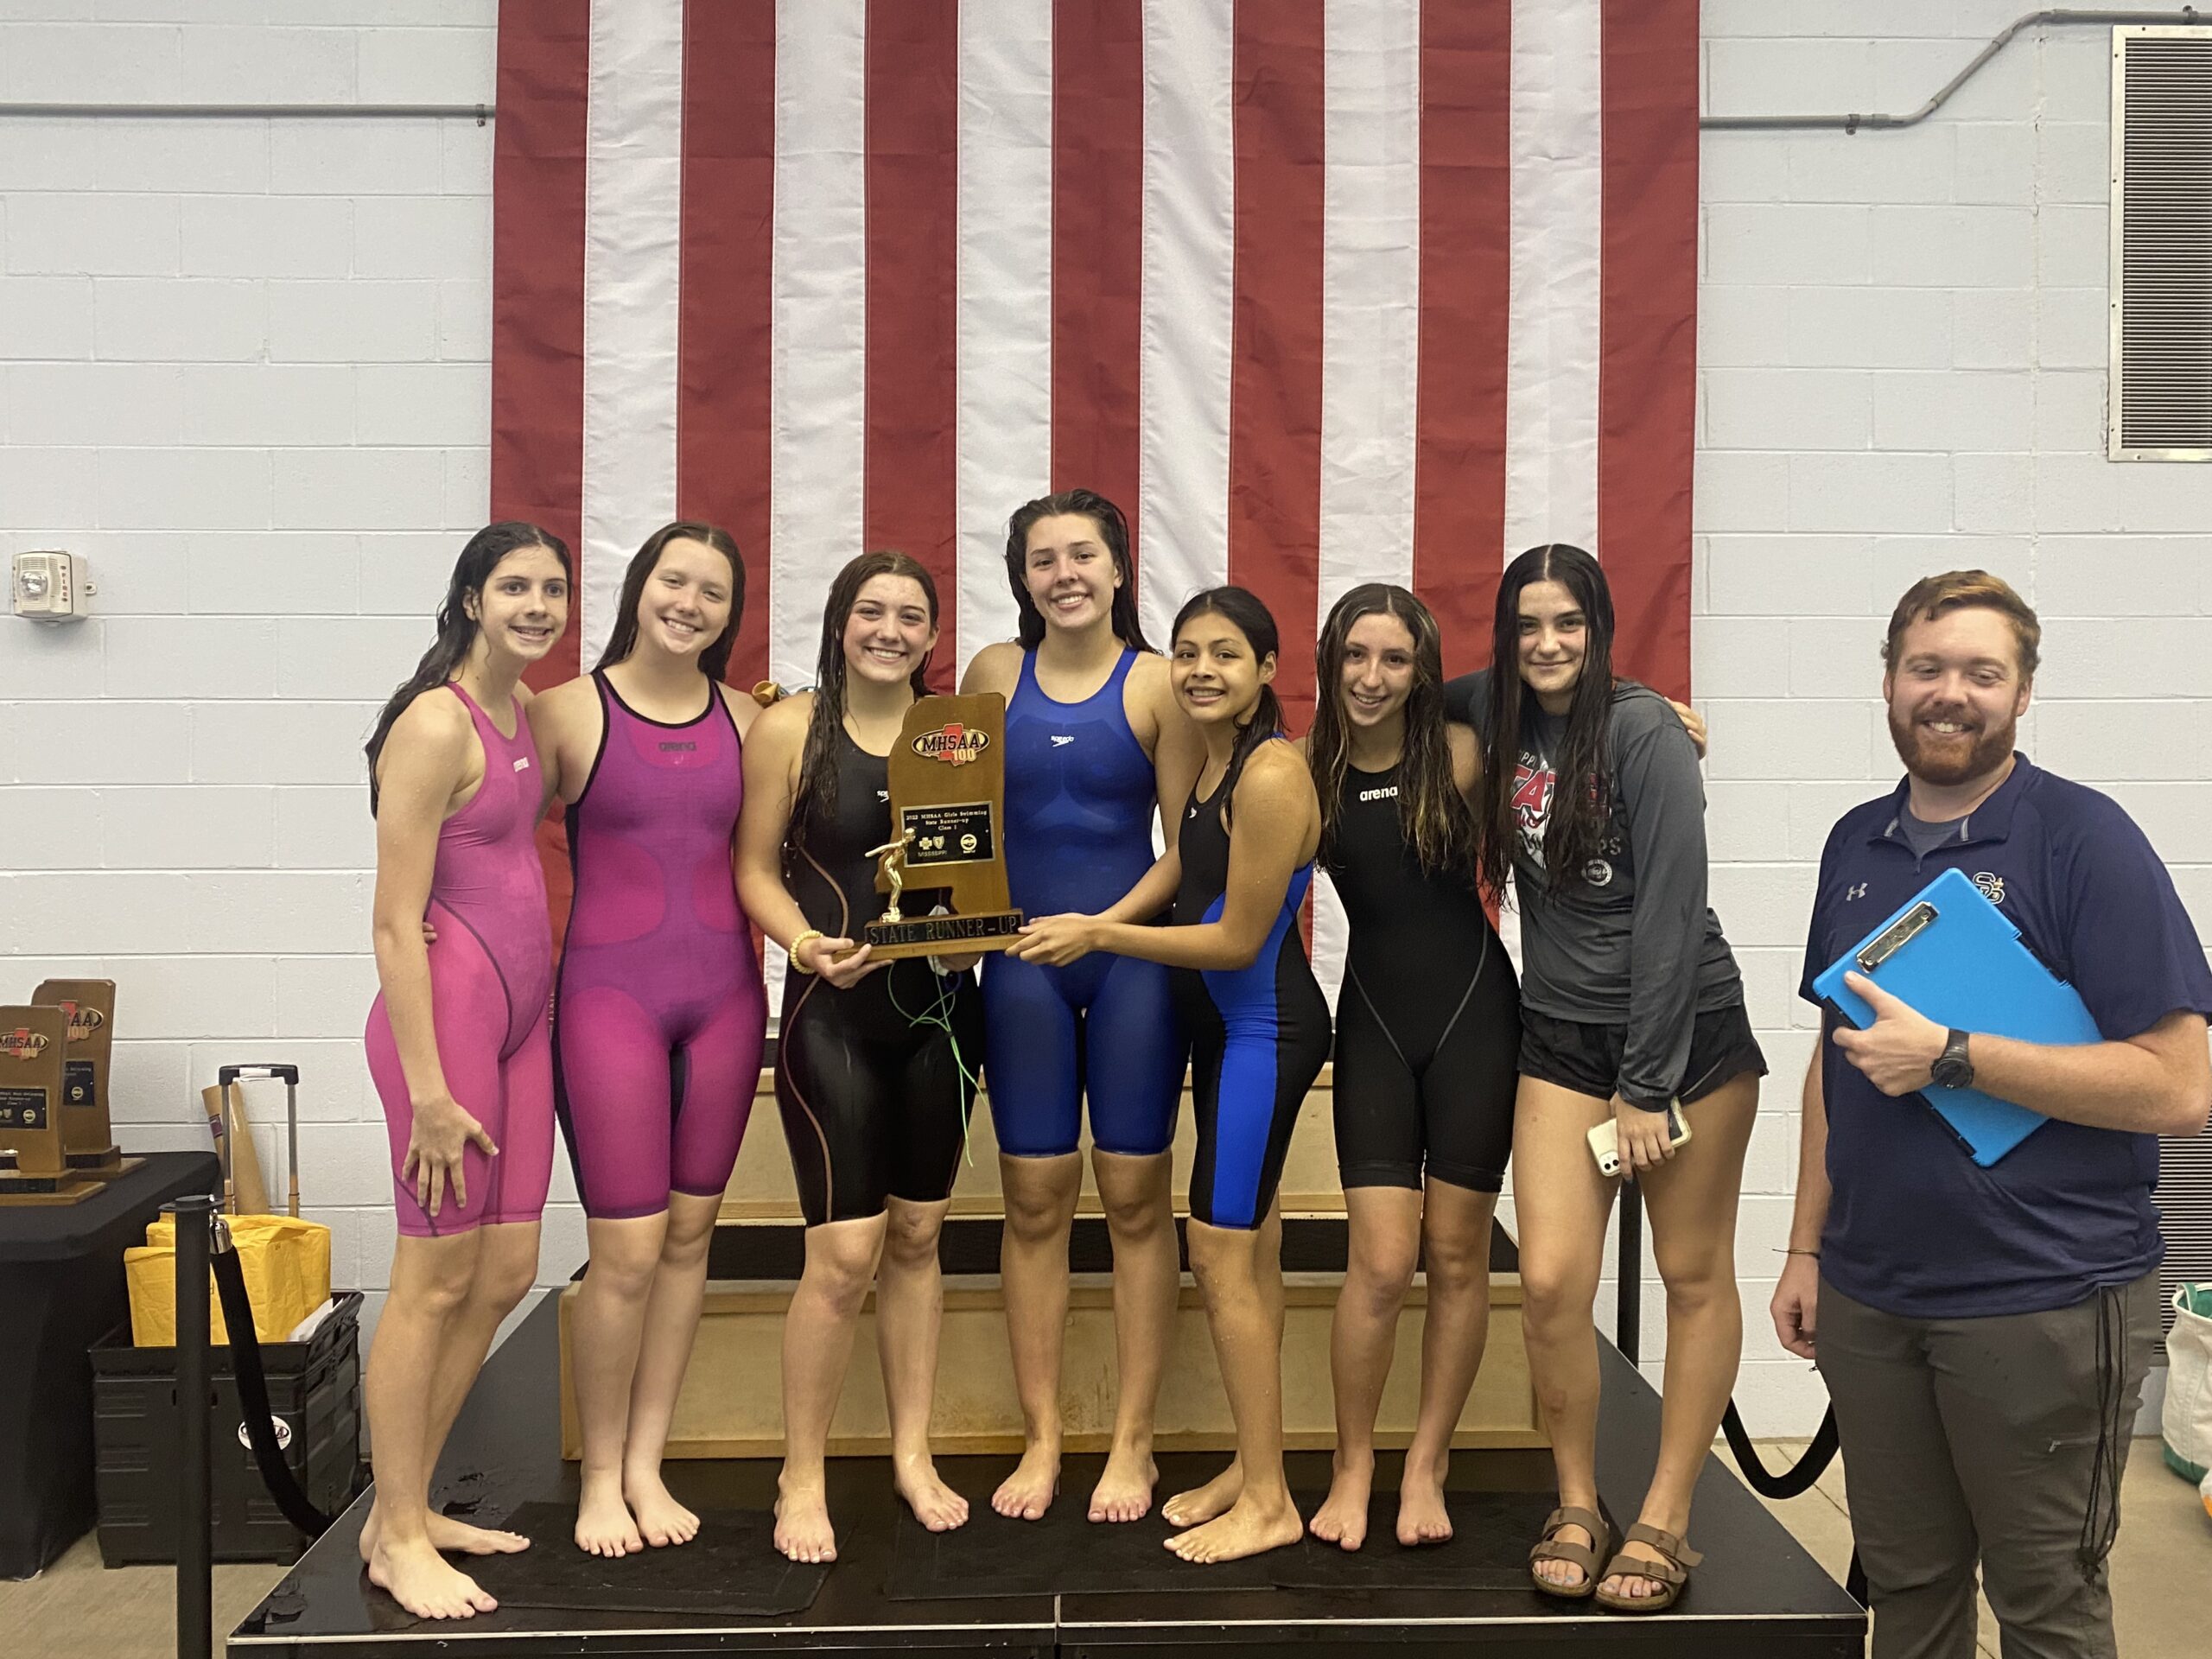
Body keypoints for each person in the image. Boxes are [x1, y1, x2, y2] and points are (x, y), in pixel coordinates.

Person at [1773, 570, 2211, 1659]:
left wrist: (1957, 1057)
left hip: (2044, 1300)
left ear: (2022, 695)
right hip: (1875, 1298)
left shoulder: (2080, 838)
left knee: (2045, 1609)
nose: (1950, 693)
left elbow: (2179, 1085)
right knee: (1908, 1591)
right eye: (1927, 667)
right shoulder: (1852, 844)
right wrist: (1802, 1248)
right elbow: (1834, 1062)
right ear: (1887, 681)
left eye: (1982, 672)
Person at [1447, 543, 1764, 1613]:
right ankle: (1577, 1500)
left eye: (1568, 625)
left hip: (1684, 1039)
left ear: (1600, 629)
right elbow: (1413, 685)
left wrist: (1645, 1088)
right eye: (1527, 625)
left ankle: (1668, 1516)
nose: (1547, 645)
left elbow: (1673, 918)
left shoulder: (1640, 734)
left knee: (1689, 1272)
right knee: (1546, 1283)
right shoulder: (1493, 710)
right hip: (1561, 1039)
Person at [1015, 586, 1327, 1565]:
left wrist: (1104, 933)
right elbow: (1187, 877)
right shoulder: (1212, 761)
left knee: (1221, 1249)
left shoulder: (1271, 774)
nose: (1200, 669)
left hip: (1261, 1031)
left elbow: (1237, 940)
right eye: (1186, 651)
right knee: (1255, 1250)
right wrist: (1104, 919)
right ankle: (1251, 1462)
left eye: (1226, 654)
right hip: (1224, 1031)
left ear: (1268, 670)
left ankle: (1272, 1500)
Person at [734, 550, 986, 1565]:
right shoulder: (791, 727)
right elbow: (752, 868)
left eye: (910, 616)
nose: (889, 629)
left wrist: (975, 935)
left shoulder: (955, 737)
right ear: (839, 623)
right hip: (828, 1015)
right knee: (843, 1257)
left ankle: (912, 1453)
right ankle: (802, 1470)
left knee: (920, 1242)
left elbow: (969, 878)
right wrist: (801, 945)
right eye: (869, 611)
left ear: (932, 636)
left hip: (936, 1018)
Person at [959, 490, 1202, 1524]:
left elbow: (1190, 847)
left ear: (1116, 571)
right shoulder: (989, 676)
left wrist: (1098, 929)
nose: (1064, 574)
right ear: (1022, 578)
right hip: (1020, 962)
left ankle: (1136, 1441)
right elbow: (954, 826)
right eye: (1043, 559)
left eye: (1083, 556)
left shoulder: (1156, 684)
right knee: (1032, 1203)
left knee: (1139, 1200)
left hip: (1129, 959)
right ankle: (1044, 1434)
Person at [528, 523, 766, 1557]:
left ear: (730, 612)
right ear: (639, 588)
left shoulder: (752, 718)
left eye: (712, 592)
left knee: (687, 1242)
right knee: (621, 1252)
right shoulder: (568, 712)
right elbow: (480, 826)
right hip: (606, 1002)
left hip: (725, 999)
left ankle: (645, 1466)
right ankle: (597, 1477)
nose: (690, 603)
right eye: (674, 580)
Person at [358, 523, 572, 1619]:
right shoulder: (435, 723)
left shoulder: (522, 712)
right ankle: (392, 1532)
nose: (536, 605)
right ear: (471, 597)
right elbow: (397, 924)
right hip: (441, 1034)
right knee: (431, 1281)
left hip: (519, 1025)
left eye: (553, 588)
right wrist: (429, 1091)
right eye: (515, 587)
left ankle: (409, 1502)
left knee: (502, 1274)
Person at [1300, 584, 1520, 1552]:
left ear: (1425, 671)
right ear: (1329, 661)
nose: (1372, 677)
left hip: (1476, 1018)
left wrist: (1652, 713)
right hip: (1376, 1024)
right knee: (1381, 1263)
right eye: (1356, 655)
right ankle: (1354, 1465)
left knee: (1458, 1257)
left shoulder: (1463, 754)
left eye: (1395, 659)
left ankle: (1424, 1462)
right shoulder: (1308, 770)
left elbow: (1549, 695)